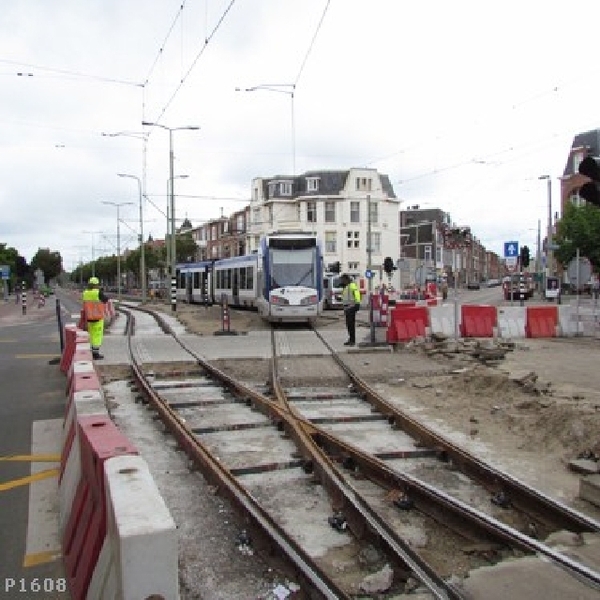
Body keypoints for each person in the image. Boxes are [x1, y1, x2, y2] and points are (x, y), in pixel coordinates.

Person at [82, 276, 109, 360]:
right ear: (96, 285)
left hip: (89, 317)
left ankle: (92, 351)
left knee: (92, 334)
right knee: (97, 336)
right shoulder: (98, 292)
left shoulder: (85, 293)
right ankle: (96, 354)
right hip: (98, 317)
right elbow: (105, 300)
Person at [340, 273, 361, 346]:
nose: (341, 281)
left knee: (351, 324)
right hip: (347, 308)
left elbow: (357, 294)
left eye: (342, 280)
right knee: (348, 324)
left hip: (351, 307)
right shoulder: (346, 287)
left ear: (346, 279)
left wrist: (357, 303)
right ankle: (351, 339)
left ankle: (352, 340)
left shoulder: (352, 285)